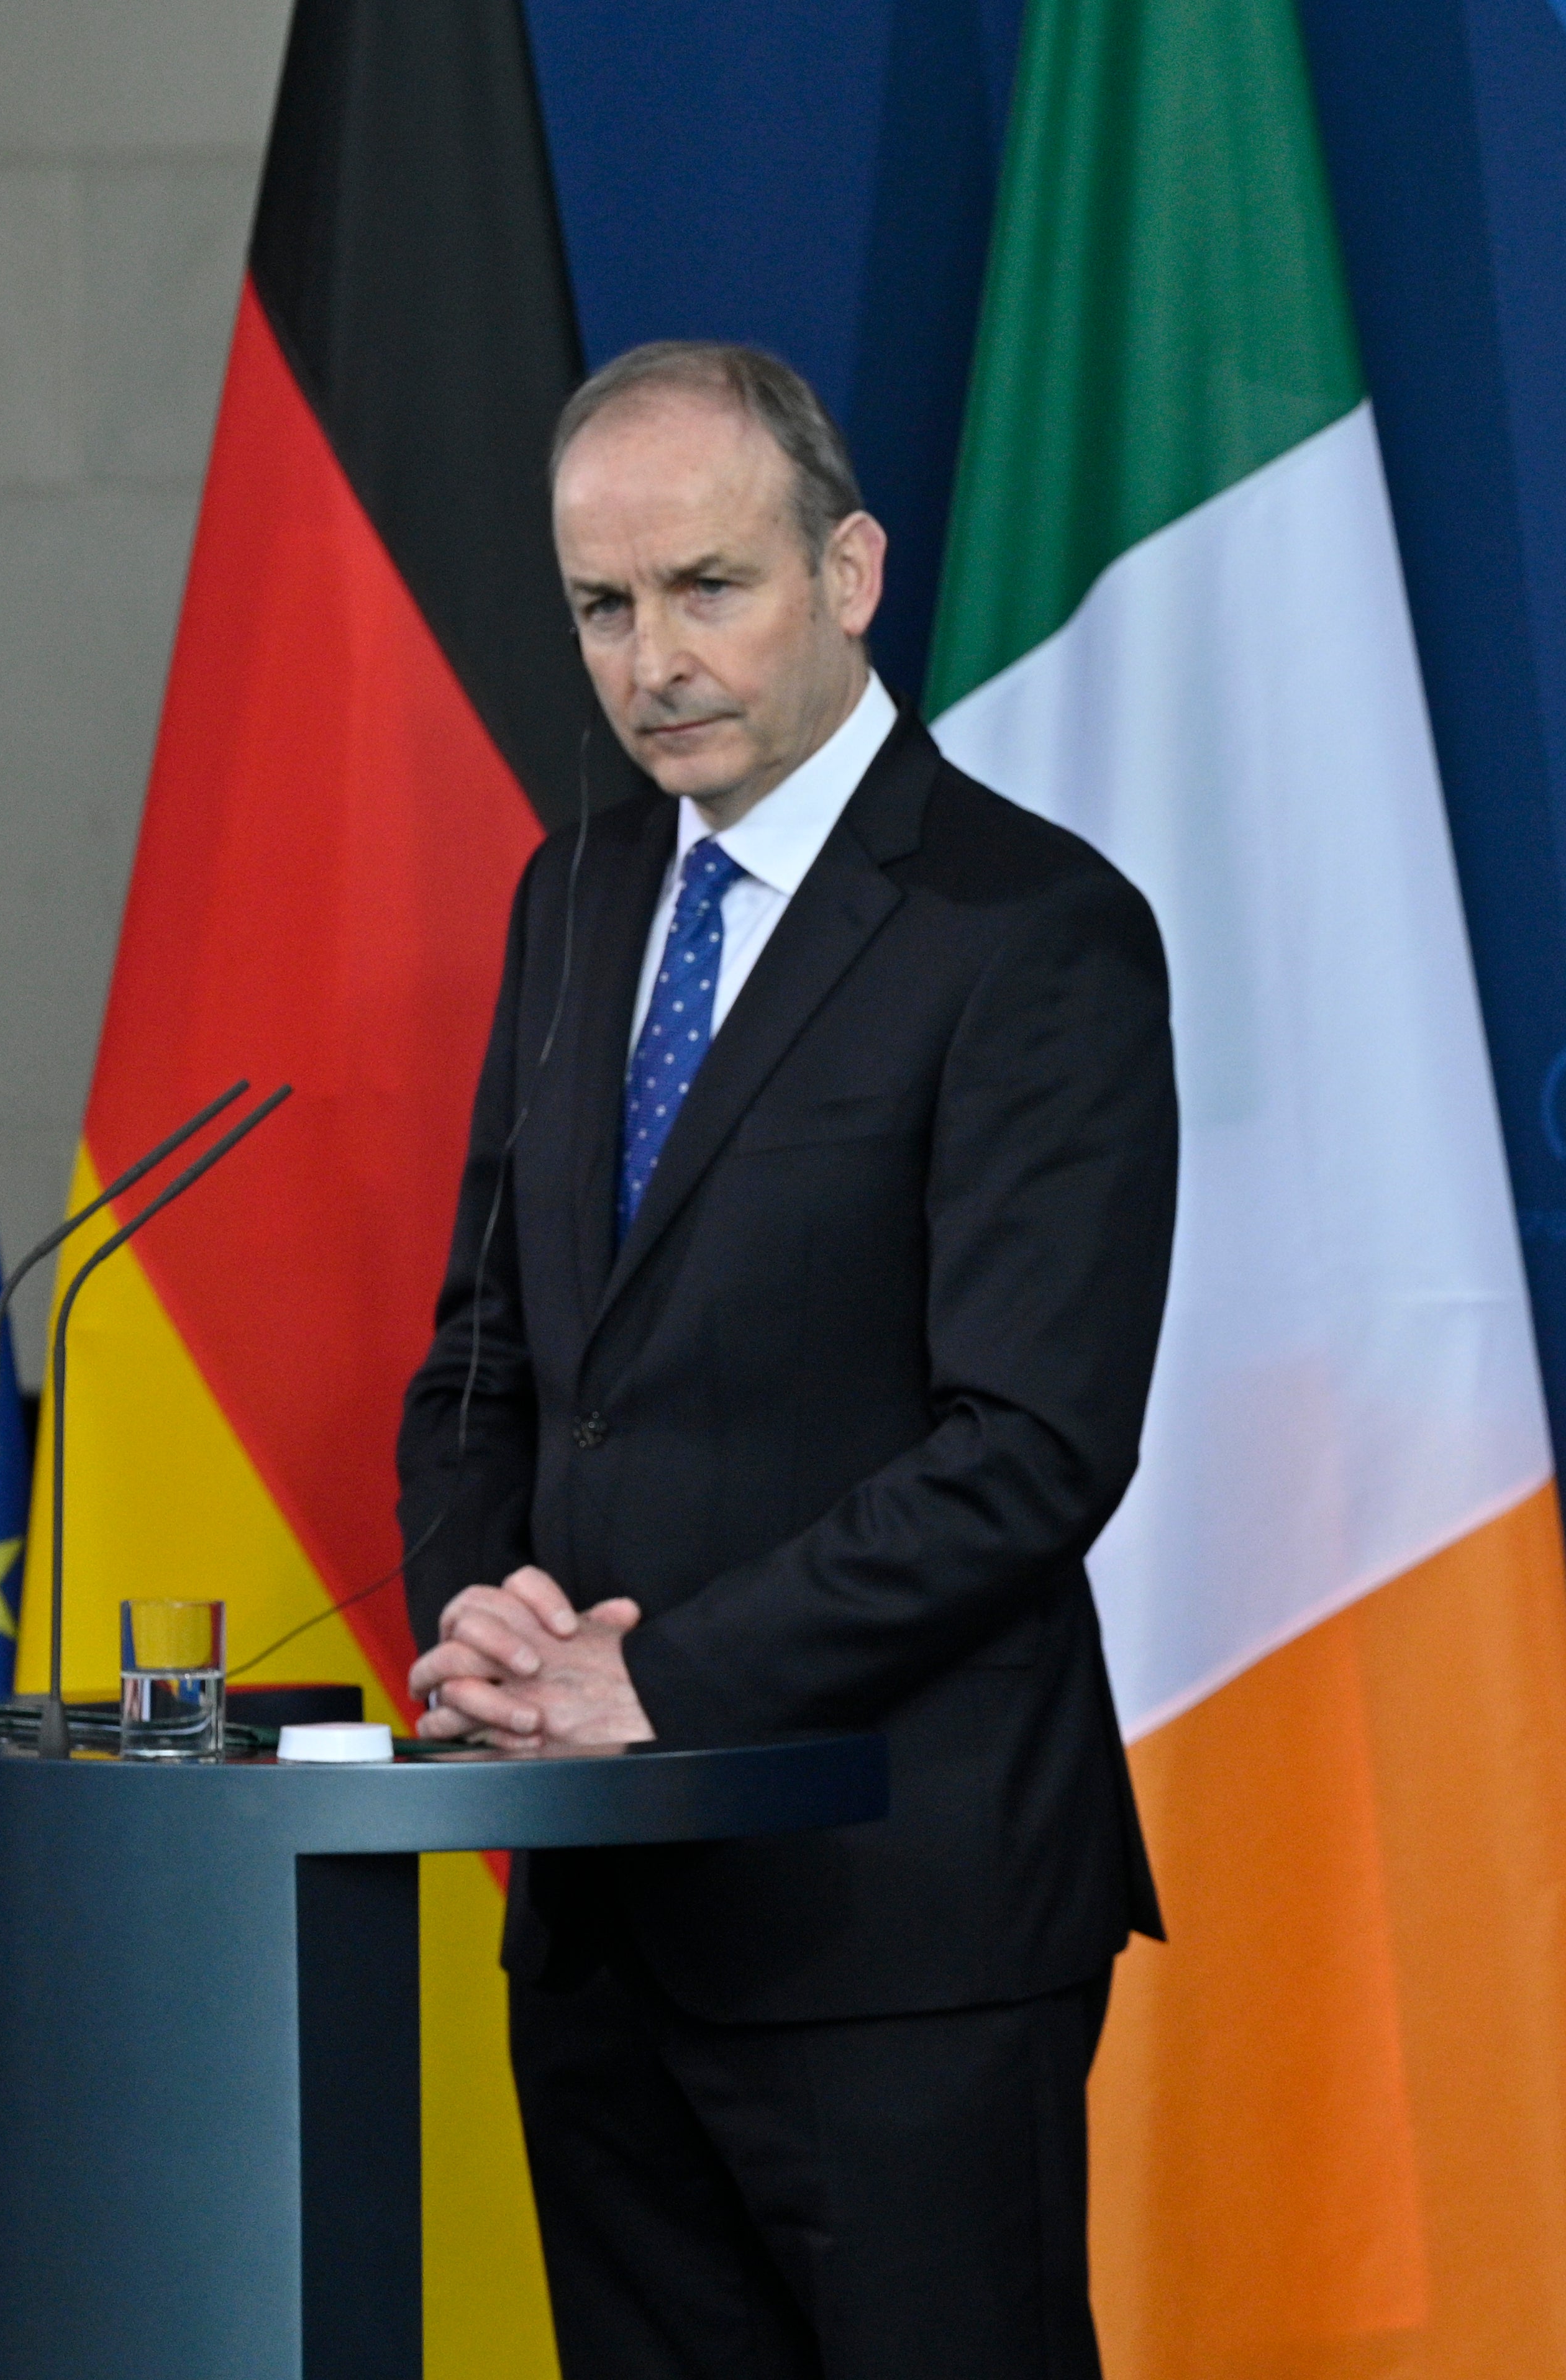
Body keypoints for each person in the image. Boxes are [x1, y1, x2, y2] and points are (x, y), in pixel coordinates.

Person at [398, 341, 1178, 2380]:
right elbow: (488, 1354)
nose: (651, 660)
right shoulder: (574, 899)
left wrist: (654, 1684)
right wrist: (485, 1629)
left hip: (896, 1927)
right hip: (603, 1928)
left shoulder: (1032, 927)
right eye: (602, 605)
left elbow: (1031, 1446)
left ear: (849, 572)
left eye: (707, 587)